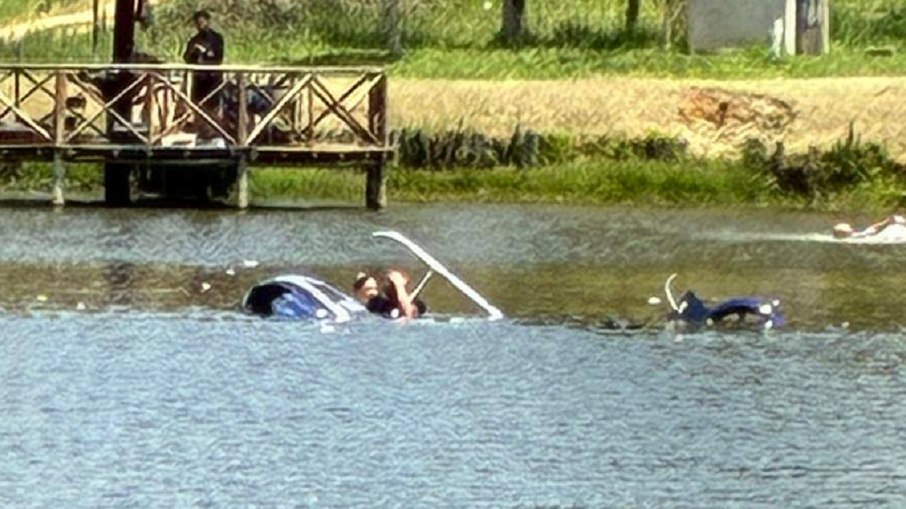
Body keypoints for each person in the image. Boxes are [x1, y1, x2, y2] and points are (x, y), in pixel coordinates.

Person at [183, 10, 224, 110]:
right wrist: (193, 51)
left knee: (212, 107)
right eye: (197, 23)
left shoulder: (217, 38)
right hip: (198, 79)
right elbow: (186, 58)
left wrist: (205, 52)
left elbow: (218, 57)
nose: (200, 26)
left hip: (212, 78)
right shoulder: (194, 40)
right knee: (197, 106)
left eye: (202, 22)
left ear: (208, 22)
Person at [352, 270, 427, 319]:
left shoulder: (417, 304)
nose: (389, 287)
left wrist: (399, 286)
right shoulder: (378, 302)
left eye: (392, 285)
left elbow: (408, 313)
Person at [832, 214, 906, 239]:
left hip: (877, 237)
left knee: (895, 227)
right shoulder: (854, 237)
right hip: (879, 238)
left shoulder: (855, 236)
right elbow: (869, 231)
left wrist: (885, 222)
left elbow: (872, 229)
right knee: (894, 228)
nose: (850, 227)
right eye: (848, 227)